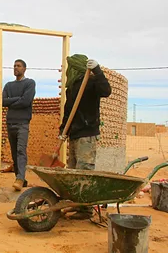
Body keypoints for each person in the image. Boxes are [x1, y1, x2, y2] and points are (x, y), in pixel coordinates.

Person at [59, 54, 111, 219]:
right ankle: (77, 204)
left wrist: (97, 70)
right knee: (74, 171)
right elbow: (69, 111)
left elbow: (106, 91)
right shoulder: (72, 87)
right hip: (74, 134)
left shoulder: (92, 81)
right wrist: (63, 131)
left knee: (85, 171)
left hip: (87, 134)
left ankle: (86, 210)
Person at [2, 59, 36, 191]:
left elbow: (26, 102)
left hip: (23, 123)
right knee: (14, 153)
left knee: (21, 150)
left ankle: (20, 178)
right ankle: (21, 179)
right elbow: (3, 101)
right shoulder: (8, 85)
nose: (16, 68)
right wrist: (18, 99)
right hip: (10, 123)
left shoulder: (29, 83)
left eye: (19, 66)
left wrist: (12, 101)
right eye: (14, 66)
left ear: (24, 69)